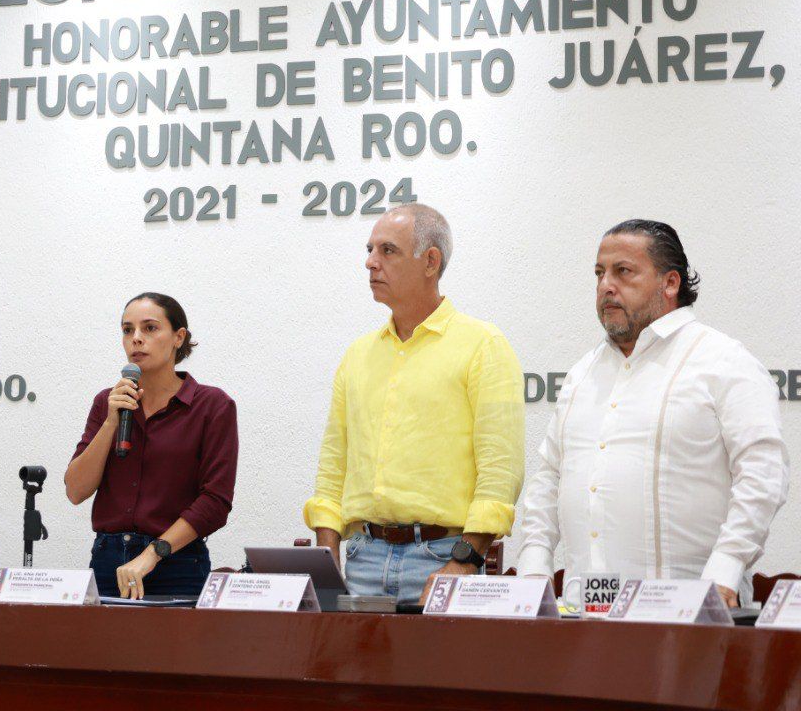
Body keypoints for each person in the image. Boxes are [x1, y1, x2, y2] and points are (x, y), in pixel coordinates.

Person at [516, 220, 788, 607]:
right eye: (599, 273)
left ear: (670, 283)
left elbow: (763, 473)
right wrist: (533, 568)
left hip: (693, 612)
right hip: (583, 616)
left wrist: (726, 570)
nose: (606, 285)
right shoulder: (582, 374)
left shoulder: (723, 361)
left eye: (623, 271)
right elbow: (549, 478)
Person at [303, 204, 525, 607]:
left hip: (445, 558)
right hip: (362, 558)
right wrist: (327, 554)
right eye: (370, 249)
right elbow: (333, 465)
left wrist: (465, 560)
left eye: (388, 250)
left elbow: (500, 471)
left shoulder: (482, 345)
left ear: (431, 261)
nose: (370, 262)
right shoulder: (357, 355)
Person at [65, 292, 238, 600]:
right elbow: (76, 491)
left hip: (177, 563)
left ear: (178, 337)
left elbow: (215, 501)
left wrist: (153, 553)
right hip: (109, 562)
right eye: (127, 330)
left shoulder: (212, 406)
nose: (136, 338)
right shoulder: (108, 402)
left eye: (150, 328)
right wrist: (110, 422)